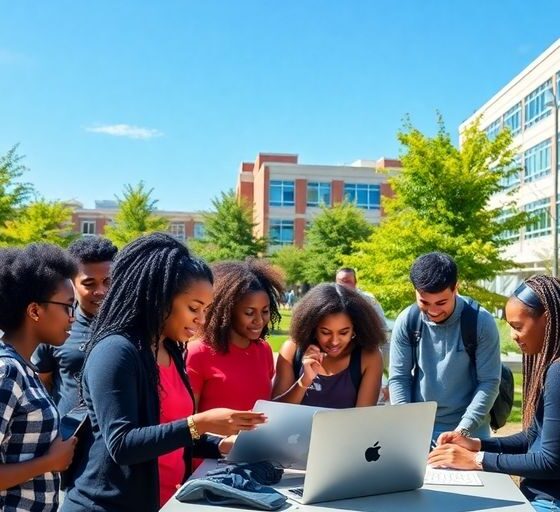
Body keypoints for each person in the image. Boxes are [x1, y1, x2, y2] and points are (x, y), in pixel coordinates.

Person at [61, 234, 266, 512]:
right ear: (158, 298)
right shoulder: (115, 351)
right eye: (193, 308)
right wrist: (200, 422)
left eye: (205, 310)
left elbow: (169, 436)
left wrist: (221, 445)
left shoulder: (170, 349)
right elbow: (122, 444)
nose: (201, 320)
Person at [429, 275, 560, 512]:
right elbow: (532, 438)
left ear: (547, 320)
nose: (513, 336)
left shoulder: (558, 372)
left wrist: (476, 461)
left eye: (518, 327)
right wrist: (476, 444)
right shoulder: (553, 367)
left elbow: (551, 462)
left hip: (548, 503)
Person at [389, 252, 501, 440]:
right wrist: (405, 422)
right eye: (424, 302)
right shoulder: (407, 321)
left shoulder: (481, 322)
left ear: (455, 288)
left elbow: (489, 382)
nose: (433, 311)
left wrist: (462, 430)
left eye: (441, 302)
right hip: (419, 430)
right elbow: (399, 378)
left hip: (470, 432)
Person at [0, 244, 78, 512]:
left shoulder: (25, 368)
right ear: (34, 311)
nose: (73, 318)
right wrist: (49, 462)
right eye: (68, 306)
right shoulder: (7, 371)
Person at [33, 236, 118, 416]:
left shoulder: (132, 326)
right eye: (89, 283)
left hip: (115, 440)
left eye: (108, 282)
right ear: (71, 284)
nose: (101, 291)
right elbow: (42, 383)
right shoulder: (54, 325)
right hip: (66, 439)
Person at [186, 258, 284, 412]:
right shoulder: (197, 353)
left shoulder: (263, 350)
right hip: (214, 437)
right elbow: (189, 422)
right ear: (227, 311)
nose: (259, 320)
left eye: (265, 311)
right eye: (249, 312)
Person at [272, 283, 385, 408]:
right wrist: (304, 381)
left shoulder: (369, 357)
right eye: (325, 332)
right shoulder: (292, 350)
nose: (334, 341)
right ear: (312, 328)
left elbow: (363, 418)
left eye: (343, 332)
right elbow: (277, 411)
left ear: (355, 329)